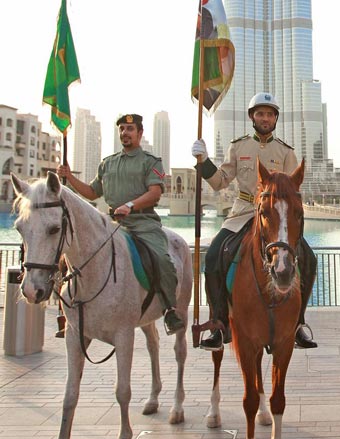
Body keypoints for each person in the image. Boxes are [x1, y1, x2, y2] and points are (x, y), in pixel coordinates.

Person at [191, 92, 318, 351]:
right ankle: (218, 323)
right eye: (260, 113)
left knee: (309, 259)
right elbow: (220, 182)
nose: (265, 118)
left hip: (275, 218)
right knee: (214, 257)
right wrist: (203, 162)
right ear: (252, 117)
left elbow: (293, 190)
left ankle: (298, 323)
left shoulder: (285, 151)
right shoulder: (238, 147)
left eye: (269, 114)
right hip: (242, 212)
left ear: (275, 119)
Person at [57, 114, 184, 333]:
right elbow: (91, 192)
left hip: (143, 223)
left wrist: (131, 205)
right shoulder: (108, 163)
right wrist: (69, 177)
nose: (125, 133)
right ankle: (70, 308)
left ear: (140, 133)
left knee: (162, 260)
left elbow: (154, 194)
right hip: (111, 223)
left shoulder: (151, 162)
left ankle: (169, 309)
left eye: (130, 129)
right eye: (122, 129)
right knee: (72, 255)